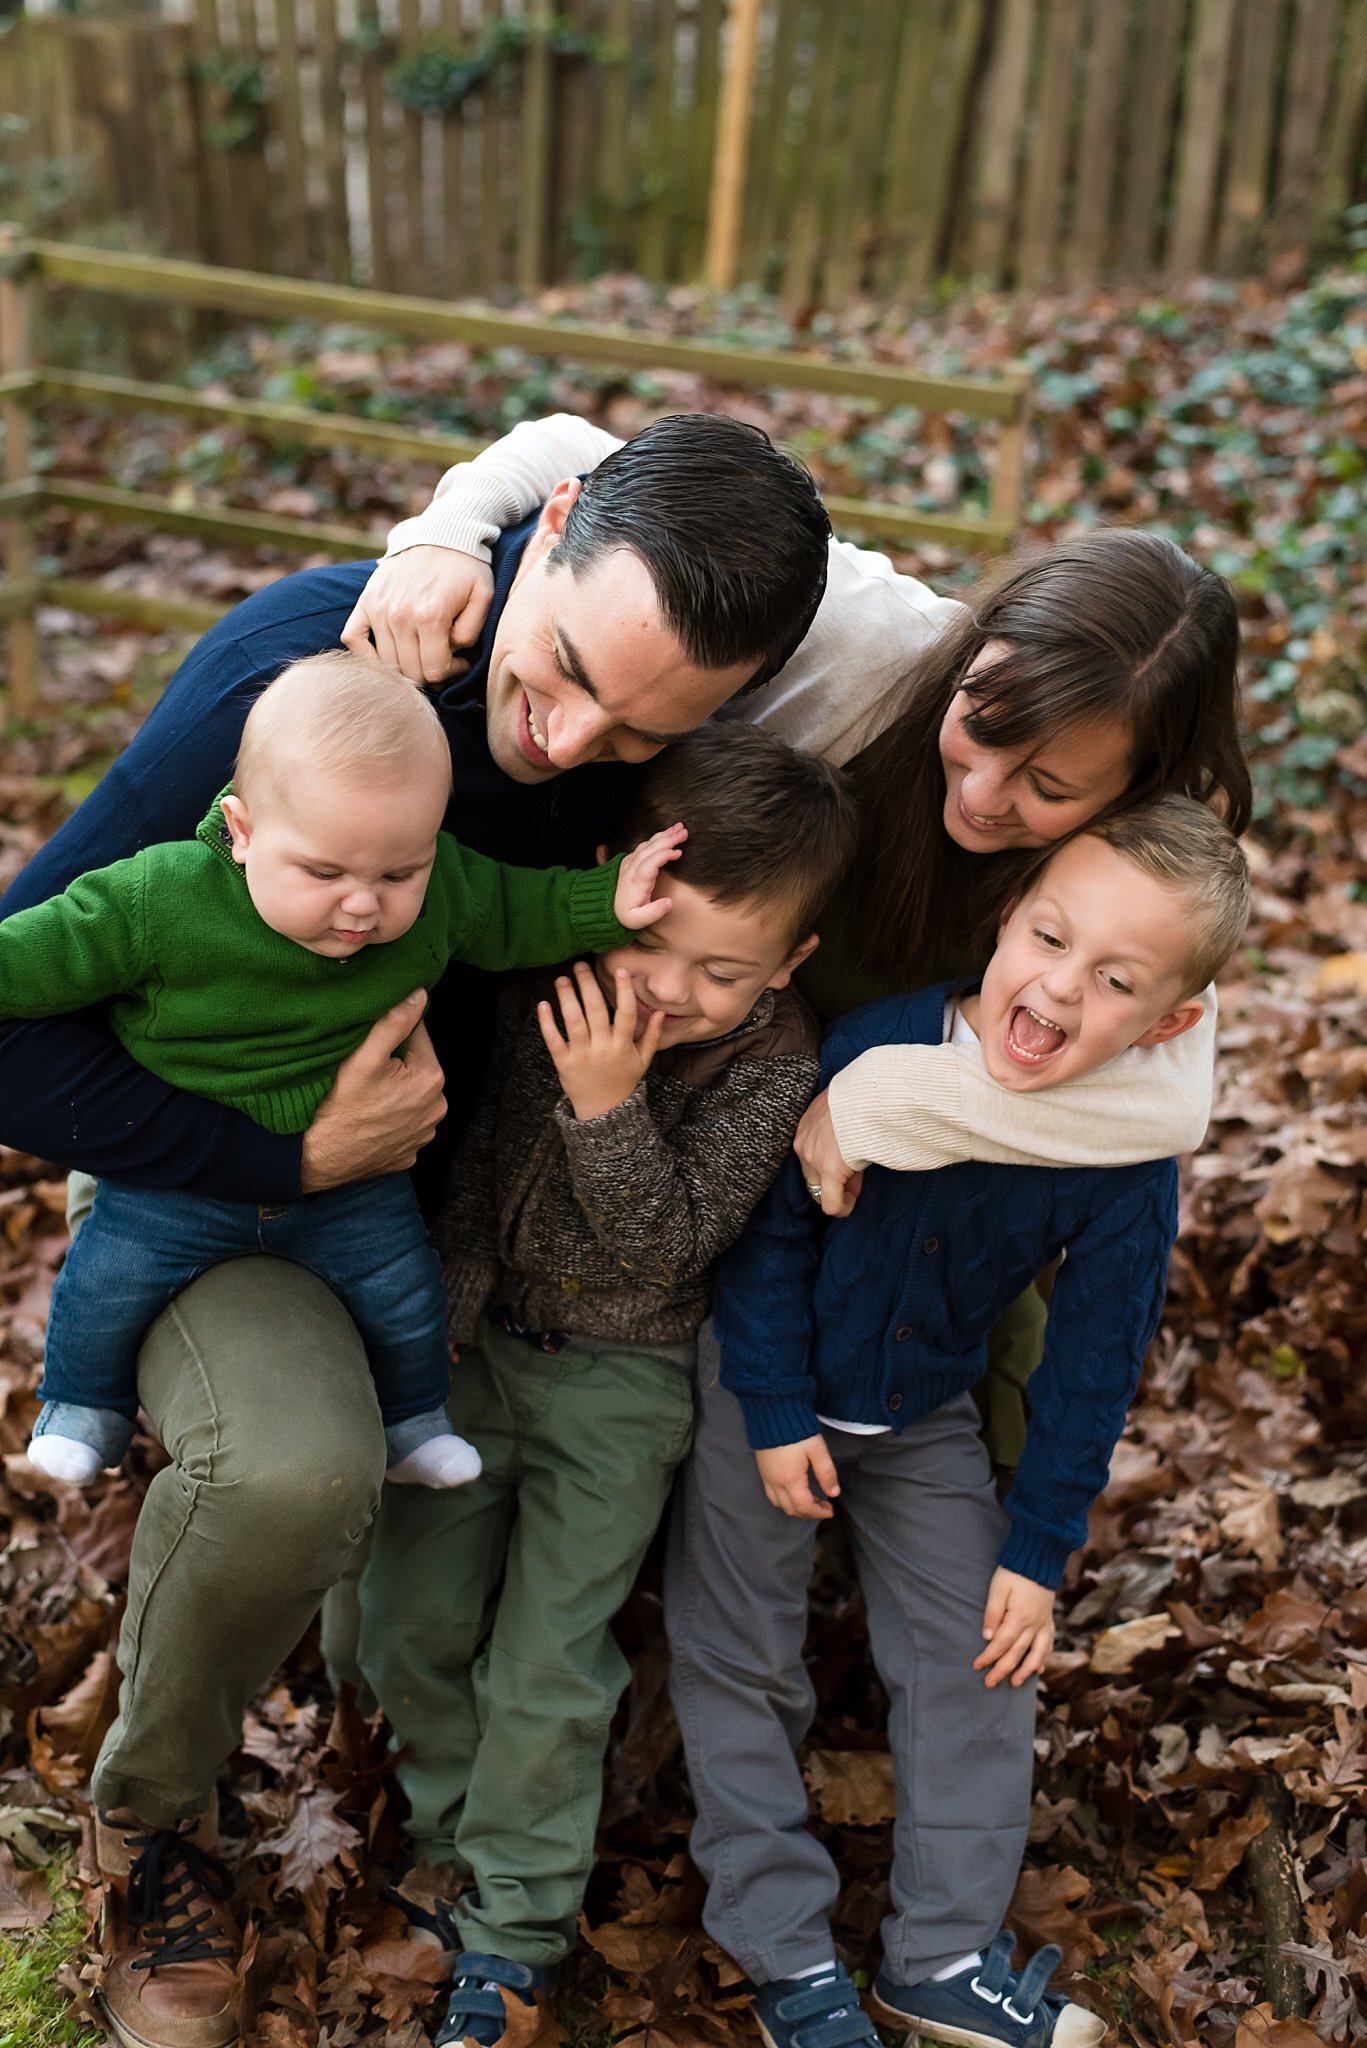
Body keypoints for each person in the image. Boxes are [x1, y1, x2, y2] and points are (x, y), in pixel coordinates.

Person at [0, 408, 1244, 2048]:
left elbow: (1150, 1026)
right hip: (240, 1175)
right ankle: (156, 1816)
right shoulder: (320, 691)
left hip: (477, 1224)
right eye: (565, 663)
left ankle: (878, 1774)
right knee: (308, 1475)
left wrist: (846, 1106)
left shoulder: (752, 772)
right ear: (553, 530)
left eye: (628, 724)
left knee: (986, 1319)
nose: (564, 736)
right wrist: (285, 1152)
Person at [672, 799, 1250, 2048]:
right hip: (761, 1386)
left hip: (922, 1407)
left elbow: (1093, 1361)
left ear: (1167, 1025)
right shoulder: (875, 1044)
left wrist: (1037, 1547)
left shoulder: (1123, 1161)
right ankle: (783, 1953)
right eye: (1047, 936)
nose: (1056, 986)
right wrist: (770, 1408)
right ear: (1003, 917)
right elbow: (764, 1239)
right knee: (737, 1649)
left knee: (981, 1656)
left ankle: (936, 1951)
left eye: (1112, 981)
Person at [358, 723, 857, 2048]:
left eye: (724, 969)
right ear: (614, 881)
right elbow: (473, 1176)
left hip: (621, 1389)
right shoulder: (558, 982)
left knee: (545, 1658)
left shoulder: (771, 1065)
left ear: (789, 962)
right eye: (655, 945)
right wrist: (442, 1327)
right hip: (481, 1349)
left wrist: (607, 1105)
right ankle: (447, 1850)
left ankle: (512, 1931)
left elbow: (667, 1242)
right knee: (401, 1612)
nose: (673, 990)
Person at [3, 652, 683, 1489]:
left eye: (398, 872)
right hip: (180, 1179)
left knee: (403, 1291)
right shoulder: (157, 899)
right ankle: (82, 1408)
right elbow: (37, 955)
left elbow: (516, 908)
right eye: (323, 874)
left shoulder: (440, 893)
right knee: (106, 1281)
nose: (363, 905)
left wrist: (606, 900)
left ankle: (413, 1421)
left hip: (353, 1184)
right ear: (242, 832)